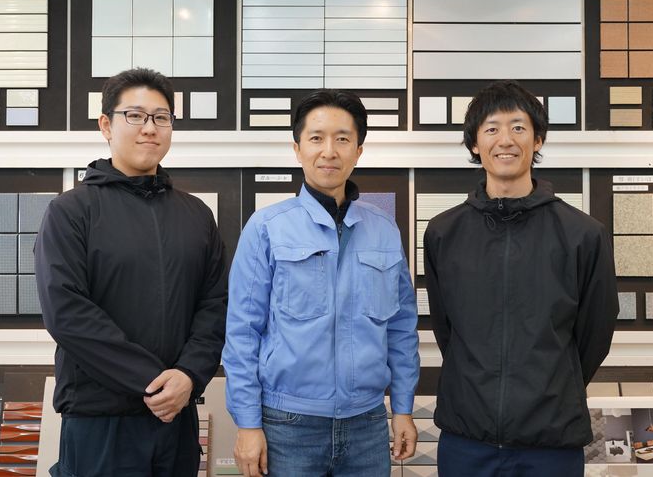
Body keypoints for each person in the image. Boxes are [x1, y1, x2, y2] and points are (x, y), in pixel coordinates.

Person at [35, 68, 228, 476]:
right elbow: (67, 313)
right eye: (135, 116)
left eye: (161, 117)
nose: (150, 128)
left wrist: (188, 375)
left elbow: (215, 306)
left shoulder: (196, 215)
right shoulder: (71, 212)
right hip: (100, 420)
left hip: (176, 417)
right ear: (106, 125)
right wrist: (153, 381)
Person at [423, 80, 619, 477]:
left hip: (551, 443)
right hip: (467, 439)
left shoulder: (583, 234)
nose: (505, 140)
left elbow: (595, 333)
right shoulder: (444, 233)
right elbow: (447, 330)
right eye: (491, 128)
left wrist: (554, 385)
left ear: (538, 139)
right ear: (474, 144)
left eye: (518, 127)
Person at [223, 89, 420, 477]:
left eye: (342, 139)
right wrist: (247, 424)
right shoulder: (266, 228)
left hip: (366, 424)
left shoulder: (383, 228)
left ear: (358, 151)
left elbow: (401, 328)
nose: (329, 151)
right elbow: (243, 332)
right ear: (298, 149)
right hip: (287, 426)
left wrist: (403, 408)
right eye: (316, 138)